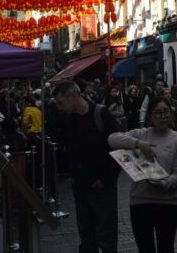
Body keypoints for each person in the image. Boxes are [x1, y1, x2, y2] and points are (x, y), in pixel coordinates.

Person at [108, 97, 177, 253]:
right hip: (140, 202)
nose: (162, 116)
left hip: (167, 203)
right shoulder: (141, 134)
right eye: (157, 113)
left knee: (166, 248)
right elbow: (112, 139)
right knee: (145, 249)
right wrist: (138, 144)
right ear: (150, 116)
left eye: (166, 112)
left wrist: (165, 183)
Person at [53, 80, 123, 253]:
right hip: (81, 186)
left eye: (61, 102)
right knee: (86, 235)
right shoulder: (69, 118)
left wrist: (106, 179)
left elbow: (120, 146)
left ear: (72, 97)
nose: (59, 107)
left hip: (101, 187)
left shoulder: (100, 114)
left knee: (106, 235)